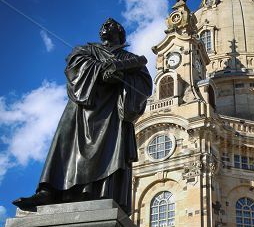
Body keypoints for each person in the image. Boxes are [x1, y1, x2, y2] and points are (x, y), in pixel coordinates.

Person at [13, 18, 152, 215]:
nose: (104, 27)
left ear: (120, 32)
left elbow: (143, 84)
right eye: (103, 25)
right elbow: (75, 66)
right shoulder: (86, 50)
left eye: (110, 25)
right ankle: (49, 190)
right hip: (84, 106)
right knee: (65, 145)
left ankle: (101, 193)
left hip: (113, 110)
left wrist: (121, 77)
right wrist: (105, 71)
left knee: (110, 149)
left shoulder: (132, 59)